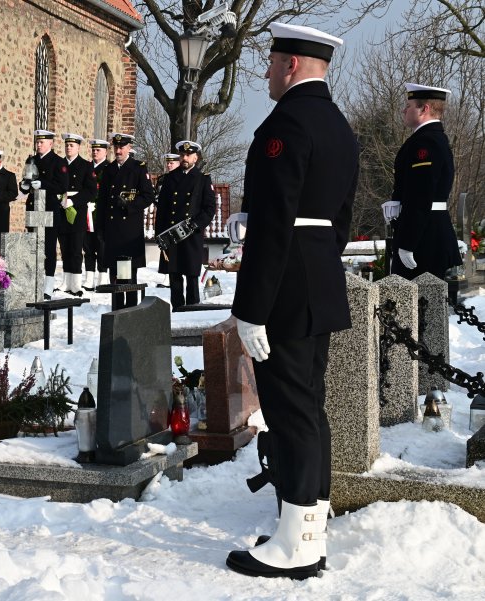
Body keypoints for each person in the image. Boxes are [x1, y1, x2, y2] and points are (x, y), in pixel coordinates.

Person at [225, 23, 358, 580]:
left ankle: (299, 544)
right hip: (319, 277)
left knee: (289, 410)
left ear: (293, 66)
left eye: (272, 62)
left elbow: (276, 222)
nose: (266, 72)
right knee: (309, 405)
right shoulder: (339, 126)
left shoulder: (286, 124)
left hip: (285, 287)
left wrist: (251, 307)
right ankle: (308, 519)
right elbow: (341, 219)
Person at [388, 83, 460, 280]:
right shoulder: (431, 138)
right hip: (427, 232)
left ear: (424, 109)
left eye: (409, 105)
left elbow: (421, 195)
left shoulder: (425, 142)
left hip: (425, 238)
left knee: (416, 306)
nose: (404, 109)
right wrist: (397, 202)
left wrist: (407, 242)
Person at [156, 141, 215, 309]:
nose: (184, 158)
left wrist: (195, 225)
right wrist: (159, 235)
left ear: (196, 157)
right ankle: (176, 310)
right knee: (174, 277)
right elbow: (162, 210)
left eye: (188, 155)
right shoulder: (169, 178)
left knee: (191, 277)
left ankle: (192, 311)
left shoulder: (202, 179)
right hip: (171, 235)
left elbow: (210, 209)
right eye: (182, 155)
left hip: (191, 235)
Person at [94, 133, 154, 292]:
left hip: (129, 231)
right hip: (112, 229)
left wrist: (129, 205)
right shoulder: (108, 169)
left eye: (121, 147)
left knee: (128, 275)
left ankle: (130, 309)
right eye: (116, 147)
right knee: (114, 273)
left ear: (129, 148)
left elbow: (148, 196)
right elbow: (102, 202)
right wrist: (99, 227)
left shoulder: (138, 168)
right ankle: (117, 307)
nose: (118, 151)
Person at [20, 130, 68, 298]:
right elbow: (25, 178)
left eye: (42, 141)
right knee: (33, 246)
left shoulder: (58, 161)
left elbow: (62, 186)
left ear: (50, 143)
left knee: (48, 247)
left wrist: (43, 184)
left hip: (49, 209)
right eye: (37, 141)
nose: (39, 144)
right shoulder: (31, 160)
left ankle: (48, 283)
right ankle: (33, 281)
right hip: (34, 207)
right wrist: (24, 187)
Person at [56, 133, 96, 296]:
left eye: (72, 145)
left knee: (76, 248)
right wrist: (59, 198)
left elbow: (91, 191)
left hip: (77, 211)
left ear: (78, 147)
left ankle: (77, 283)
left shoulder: (86, 166)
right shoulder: (59, 164)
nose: (68, 148)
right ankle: (66, 282)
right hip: (61, 208)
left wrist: (74, 200)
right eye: (66, 145)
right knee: (64, 247)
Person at [83, 139, 110, 290]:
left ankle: (102, 276)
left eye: (98, 150)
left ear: (105, 152)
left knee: (102, 246)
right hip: (87, 212)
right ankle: (89, 277)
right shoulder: (87, 167)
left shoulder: (109, 168)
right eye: (93, 150)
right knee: (88, 246)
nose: (95, 152)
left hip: (102, 213)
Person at [155, 152, 183, 289]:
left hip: (179, 219)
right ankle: (166, 275)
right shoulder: (163, 179)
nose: (169, 165)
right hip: (165, 216)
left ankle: (176, 275)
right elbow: (157, 196)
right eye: (168, 163)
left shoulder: (183, 178)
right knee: (166, 247)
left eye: (172, 162)